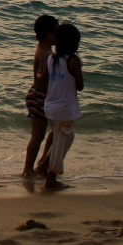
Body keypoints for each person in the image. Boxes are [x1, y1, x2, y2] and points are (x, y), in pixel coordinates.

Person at [42, 23, 84, 190]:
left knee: (65, 138)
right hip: (64, 110)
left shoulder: (51, 58)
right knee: (62, 142)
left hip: (50, 107)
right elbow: (80, 86)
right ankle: (51, 180)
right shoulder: (72, 61)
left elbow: (44, 78)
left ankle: (43, 165)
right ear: (72, 44)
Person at [22, 14, 58, 177]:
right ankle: (29, 169)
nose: (58, 36)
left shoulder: (45, 50)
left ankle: (41, 163)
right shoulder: (46, 54)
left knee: (54, 131)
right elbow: (41, 76)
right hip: (40, 97)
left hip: (40, 96)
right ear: (47, 34)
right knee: (38, 136)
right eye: (55, 32)